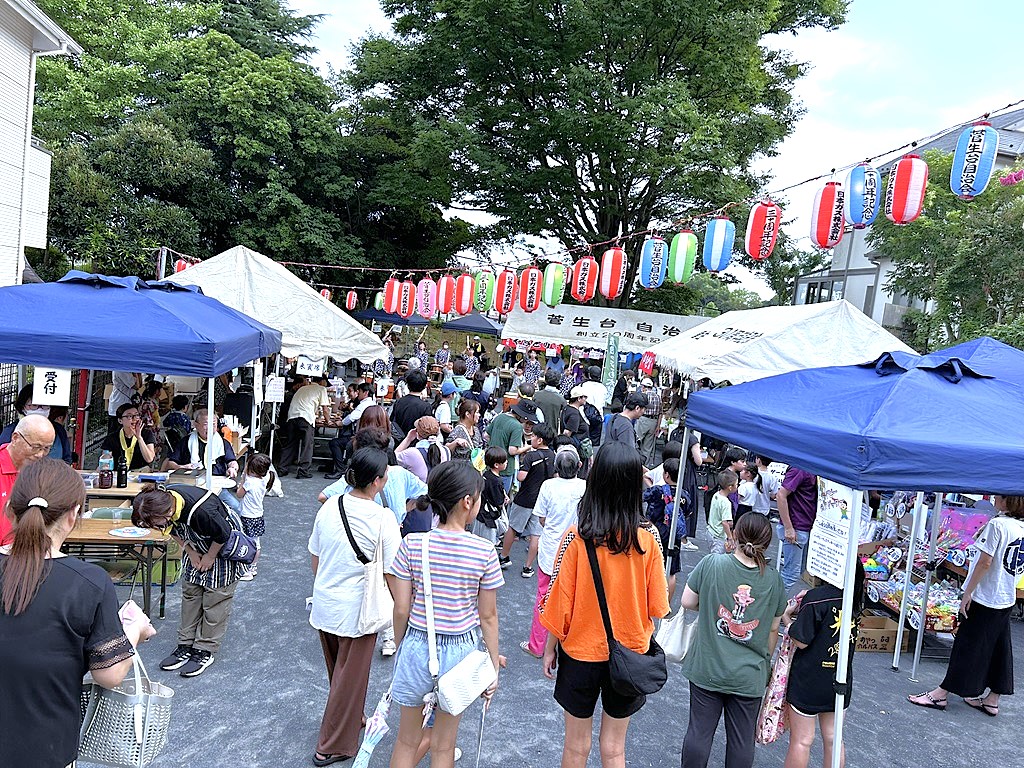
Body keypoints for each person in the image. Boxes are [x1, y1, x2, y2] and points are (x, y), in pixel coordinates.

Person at [0, 459, 153, 768]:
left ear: (11, 510)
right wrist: (135, 631)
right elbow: (108, 675)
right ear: (73, 515)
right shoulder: (89, 583)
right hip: (43, 747)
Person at [539, 441, 670, 768]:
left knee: (575, 746)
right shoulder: (648, 540)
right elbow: (657, 606)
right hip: (629, 653)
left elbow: (559, 604)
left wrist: (549, 648)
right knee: (614, 748)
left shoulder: (576, 537)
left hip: (581, 652)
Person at [387, 462, 503, 768]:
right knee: (443, 745)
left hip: (416, 642)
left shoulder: (413, 543)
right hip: (460, 652)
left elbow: (401, 608)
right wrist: (492, 664)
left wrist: (404, 645)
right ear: (468, 501)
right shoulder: (484, 550)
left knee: (406, 739)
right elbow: (488, 616)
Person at [309, 447, 402, 767]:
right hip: (359, 610)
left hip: (326, 603)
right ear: (377, 482)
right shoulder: (383, 518)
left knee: (341, 674)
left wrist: (327, 586)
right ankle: (330, 746)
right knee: (348, 678)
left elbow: (315, 556)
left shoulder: (331, 505)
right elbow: (393, 572)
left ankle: (351, 718)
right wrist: (403, 607)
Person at [679, 513, 787, 768]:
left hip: (708, 665)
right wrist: (766, 663)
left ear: (735, 534)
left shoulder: (712, 564)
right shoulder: (773, 580)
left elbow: (686, 601)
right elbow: (774, 628)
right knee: (741, 741)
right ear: (766, 542)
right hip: (749, 674)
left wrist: (710, 606)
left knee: (699, 732)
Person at [907, 493, 1024, 717]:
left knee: (966, 645)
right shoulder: (1019, 527)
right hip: (1005, 595)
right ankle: (992, 698)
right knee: (1000, 647)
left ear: (1008, 500)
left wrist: (968, 592)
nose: (994, 499)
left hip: (985, 595)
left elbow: (985, 561)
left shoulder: (998, 525)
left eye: (998, 496)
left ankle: (941, 693)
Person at [133, 480, 247, 677]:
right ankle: (185, 644)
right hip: (194, 541)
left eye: (153, 523)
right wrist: (192, 553)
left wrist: (210, 557)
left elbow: (223, 535)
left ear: (167, 513)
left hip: (221, 544)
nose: (154, 527)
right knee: (191, 591)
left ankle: (205, 649)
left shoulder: (202, 512)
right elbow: (172, 530)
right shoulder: (164, 499)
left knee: (215, 597)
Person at [783, 563, 865, 768]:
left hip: (809, 680)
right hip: (840, 678)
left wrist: (786, 616)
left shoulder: (817, 598)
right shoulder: (855, 598)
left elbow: (800, 640)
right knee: (833, 738)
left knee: (802, 740)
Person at [522, 446, 584, 658]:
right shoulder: (585, 487)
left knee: (544, 596)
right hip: (575, 549)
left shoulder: (548, 486)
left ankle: (537, 645)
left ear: (556, 468)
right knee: (573, 597)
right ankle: (567, 644)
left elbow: (540, 517)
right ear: (579, 466)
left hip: (551, 548)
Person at [499, 422, 555, 577]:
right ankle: (528, 566)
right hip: (541, 501)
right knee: (536, 534)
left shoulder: (532, 456)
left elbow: (521, 476)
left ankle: (504, 557)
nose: (532, 438)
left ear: (540, 440)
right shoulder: (553, 455)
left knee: (514, 527)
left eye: (534, 436)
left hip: (525, 499)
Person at [0, 414, 56, 545]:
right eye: (35, 447)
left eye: (46, 448)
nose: (40, 454)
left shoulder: (41, 471)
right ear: (15, 438)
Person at [644, 458, 691, 602]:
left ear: (666, 475)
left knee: (649, 566)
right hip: (674, 535)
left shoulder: (657, 491)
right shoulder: (685, 495)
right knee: (671, 572)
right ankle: (666, 604)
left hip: (655, 532)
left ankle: (646, 600)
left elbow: (644, 497)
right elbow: (688, 513)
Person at [0, 384, 70, 464]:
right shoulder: (9, 432)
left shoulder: (59, 430)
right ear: (23, 407)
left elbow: (67, 459)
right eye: (34, 405)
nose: (39, 409)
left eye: (44, 405)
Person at [162, 408, 239, 479]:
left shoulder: (222, 442)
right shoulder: (186, 442)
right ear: (196, 425)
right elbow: (170, 463)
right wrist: (180, 467)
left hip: (217, 479)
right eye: (206, 424)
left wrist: (232, 468)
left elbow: (232, 461)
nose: (210, 428)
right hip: (191, 481)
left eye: (213, 424)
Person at [233, 452, 274, 580]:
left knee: (246, 543)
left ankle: (247, 571)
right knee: (256, 543)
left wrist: (243, 477)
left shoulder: (249, 482)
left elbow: (239, 494)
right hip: (258, 515)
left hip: (247, 516)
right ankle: (253, 567)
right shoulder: (264, 479)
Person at [280, 375, 331, 478]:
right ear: (322, 381)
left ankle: (282, 468)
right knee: (307, 445)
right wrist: (328, 421)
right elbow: (325, 409)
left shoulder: (303, 387)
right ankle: (303, 471)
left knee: (290, 444)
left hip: (292, 416)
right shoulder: (321, 389)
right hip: (306, 418)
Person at [777, 465, 818, 590]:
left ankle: (775, 604)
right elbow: (780, 495)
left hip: (802, 527)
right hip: (796, 527)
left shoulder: (811, 468)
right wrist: (789, 528)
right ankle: (774, 607)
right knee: (790, 575)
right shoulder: (800, 468)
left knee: (797, 571)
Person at [325, 382, 376, 479]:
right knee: (340, 440)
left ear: (365, 393)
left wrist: (341, 423)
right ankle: (333, 466)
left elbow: (352, 417)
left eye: (359, 391)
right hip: (366, 434)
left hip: (361, 436)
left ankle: (340, 469)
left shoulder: (364, 405)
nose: (358, 393)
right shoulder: (371, 403)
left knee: (335, 443)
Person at [485, 400, 537, 494]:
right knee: (502, 498)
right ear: (523, 415)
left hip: (491, 463)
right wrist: (528, 447)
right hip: (505, 467)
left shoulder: (500, 417)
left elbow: (486, 435)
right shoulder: (517, 426)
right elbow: (512, 450)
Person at [100, 402, 157, 470]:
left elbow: (149, 459)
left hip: (140, 474)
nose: (134, 419)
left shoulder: (146, 434)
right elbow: (105, 460)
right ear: (120, 420)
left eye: (136, 415)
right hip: (118, 474)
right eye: (129, 416)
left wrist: (139, 438)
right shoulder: (112, 437)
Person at [472, 447, 509, 545]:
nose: (506, 462)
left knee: (478, 539)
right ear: (496, 465)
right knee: (488, 542)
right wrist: (504, 501)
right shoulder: (497, 481)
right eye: (504, 461)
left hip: (481, 512)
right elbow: (498, 502)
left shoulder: (486, 475)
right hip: (490, 516)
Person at [390, 368, 433, 435]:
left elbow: (392, 422)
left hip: (398, 441)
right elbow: (428, 428)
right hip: (417, 442)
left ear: (407, 385)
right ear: (424, 386)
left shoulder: (398, 402)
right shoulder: (426, 406)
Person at [708, 469, 738, 554]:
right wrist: (730, 537)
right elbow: (725, 522)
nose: (737, 486)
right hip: (718, 536)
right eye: (736, 484)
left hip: (711, 531)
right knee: (716, 559)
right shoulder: (726, 503)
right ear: (730, 487)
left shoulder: (716, 495)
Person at [634, 378, 662, 467]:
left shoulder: (643, 395)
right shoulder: (658, 397)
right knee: (647, 447)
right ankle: (643, 466)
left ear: (643, 386)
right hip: (654, 422)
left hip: (643, 420)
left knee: (635, 441)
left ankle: (634, 462)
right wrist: (658, 426)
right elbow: (661, 413)